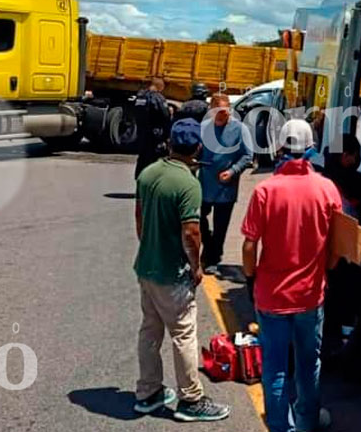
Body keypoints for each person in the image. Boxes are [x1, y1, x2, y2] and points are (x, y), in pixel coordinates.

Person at [241, 119, 341, 432]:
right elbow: (338, 246)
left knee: (275, 368)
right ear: (311, 149)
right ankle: (307, 423)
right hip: (310, 296)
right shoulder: (326, 188)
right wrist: (325, 268)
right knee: (309, 364)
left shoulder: (265, 190)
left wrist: (251, 277)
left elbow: (248, 245)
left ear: (281, 147)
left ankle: (279, 426)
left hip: (271, 296)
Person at [133, 119, 231, 422]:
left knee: (150, 329)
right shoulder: (189, 183)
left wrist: (151, 246)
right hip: (171, 274)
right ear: (198, 148)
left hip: (146, 266)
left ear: (170, 144)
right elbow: (191, 233)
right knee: (184, 334)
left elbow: (139, 219)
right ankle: (190, 399)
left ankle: (148, 392)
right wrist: (196, 266)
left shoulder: (148, 173)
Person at [198, 94, 253, 274]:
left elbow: (247, 156)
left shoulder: (240, 129)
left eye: (225, 111)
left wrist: (233, 171)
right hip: (204, 183)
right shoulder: (204, 127)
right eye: (218, 111)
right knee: (198, 217)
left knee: (221, 224)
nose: (222, 115)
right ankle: (209, 244)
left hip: (226, 186)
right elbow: (197, 151)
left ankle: (214, 257)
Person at [133, 76, 171, 180]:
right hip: (155, 134)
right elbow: (165, 116)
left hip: (142, 132)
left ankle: (139, 182)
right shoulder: (157, 98)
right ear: (160, 87)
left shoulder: (140, 97)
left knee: (142, 158)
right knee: (154, 159)